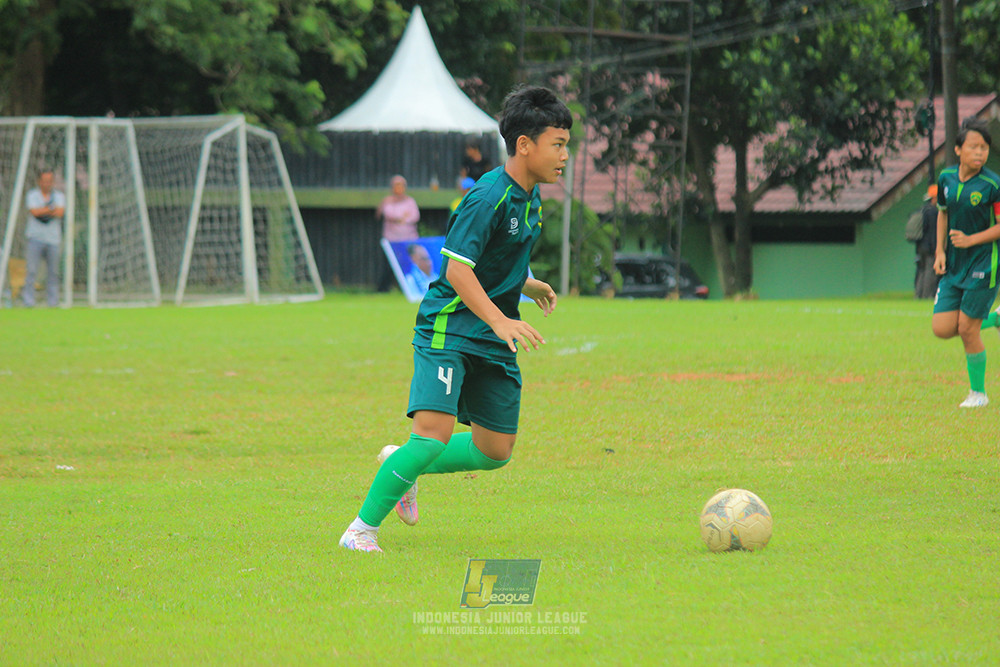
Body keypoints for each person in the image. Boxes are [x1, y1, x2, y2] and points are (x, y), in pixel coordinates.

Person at [340, 85, 571, 553]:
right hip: (450, 326)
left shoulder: (530, 198)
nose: (565, 155)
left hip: (489, 334)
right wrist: (502, 320)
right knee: (431, 436)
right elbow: (457, 270)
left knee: (495, 450)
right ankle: (360, 531)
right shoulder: (487, 197)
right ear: (524, 145)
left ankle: (403, 464)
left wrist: (528, 283)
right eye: (559, 144)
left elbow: (498, 257)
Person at [931, 117, 1000, 408]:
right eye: (973, 147)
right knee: (942, 328)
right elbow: (942, 213)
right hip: (954, 265)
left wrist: (972, 240)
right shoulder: (945, 178)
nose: (979, 152)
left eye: (984, 147)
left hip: (984, 264)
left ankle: (978, 394)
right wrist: (940, 251)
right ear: (958, 149)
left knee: (967, 329)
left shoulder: (993, 184)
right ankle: (996, 319)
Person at [23, 169, 66, 307]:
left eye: (50, 181)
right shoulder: (32, 195)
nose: (47, 183)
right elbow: (34, 212)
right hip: (35, 238)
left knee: (53, 272)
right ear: (39, 181)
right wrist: (51, 209)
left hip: (53, 240)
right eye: (44, 180)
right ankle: (28, 301)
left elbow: (60, 212)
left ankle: (53, 302)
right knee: (31, 271)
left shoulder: (59, 196)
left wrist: (43, 210)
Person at [375, 175, 420, 292]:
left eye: (401, 186)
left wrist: (401, 219)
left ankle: (409, 289)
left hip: (408, 239)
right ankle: (384, 288)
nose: (399, 189)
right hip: (391, 240)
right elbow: (388, 214)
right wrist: (402, 217)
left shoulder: (410, 201)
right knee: (389, 265)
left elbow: (414, 216)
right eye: (396, 186)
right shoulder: (387, 201)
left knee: (408, 264)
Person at [913, 184, 940, 299]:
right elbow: (934, 232)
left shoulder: (923, 209)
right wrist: (936, 248)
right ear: (934, 198)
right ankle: (926, 295)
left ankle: (918, 295)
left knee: (922, 270)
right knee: (930, 270)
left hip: (920, 246)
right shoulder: (933, 212)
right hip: (930, 247)